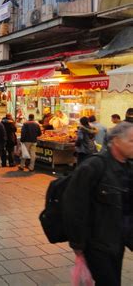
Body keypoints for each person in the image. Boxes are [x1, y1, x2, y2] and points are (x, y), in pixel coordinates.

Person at [63, 122, 133, 286]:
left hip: (117, 242)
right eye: (131, 141)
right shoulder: (93, 166)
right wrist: (78, 244)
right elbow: (73, 205)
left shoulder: (128, 169)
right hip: (96, 244)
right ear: (116, 140)